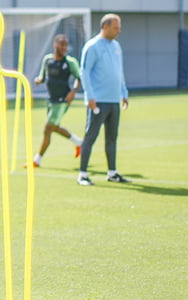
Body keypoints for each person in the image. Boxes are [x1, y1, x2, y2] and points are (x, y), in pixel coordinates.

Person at [77, 14, 130, 186]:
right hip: (98, 100)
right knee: (90, 136)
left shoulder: (116, 46)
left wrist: (124, 92)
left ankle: (112, 172)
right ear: (105, 27)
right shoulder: (92, 46)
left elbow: (119, 71)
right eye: (116, 28)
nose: (119, 31)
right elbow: (84, 72)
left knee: (112, 138)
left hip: (114, 100)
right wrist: (89, 96)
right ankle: (83, 174)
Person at [31, 34, 82, 167]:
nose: (64, 47)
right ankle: (79, 142)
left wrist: (73, 92)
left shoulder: (70, 62)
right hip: (51, 99)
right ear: (55, 45)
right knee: (53, 127)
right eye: (62, 44)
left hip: (63, 100)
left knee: (48, 128)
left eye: (66, 44)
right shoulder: (47, 60)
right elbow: (42, 77)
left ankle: (37, 160)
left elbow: (79, 78)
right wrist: (38, 80)